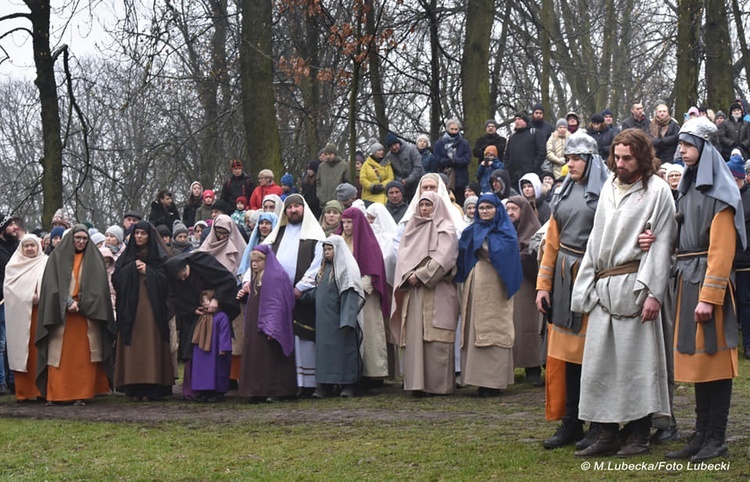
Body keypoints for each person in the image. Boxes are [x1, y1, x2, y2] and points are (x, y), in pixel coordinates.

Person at [570, 128, 675, 457]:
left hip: (636, 288)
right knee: (600, 365)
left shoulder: (658, 192)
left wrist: (653, 292)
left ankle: (638, 434)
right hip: (605, 287)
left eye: (627, 157)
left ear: (642, 157)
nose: (621, 163)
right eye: (616, 157)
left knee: (637, 366)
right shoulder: (608, 189)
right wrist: (586, 285)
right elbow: (594, 243)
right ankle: (605, 433)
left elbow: (662, 244)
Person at [662, 117, 746, 462]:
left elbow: (723, 249)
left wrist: (709, 297)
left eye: (688, 145)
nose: (681, 150)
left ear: (706, 149)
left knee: (715, 362)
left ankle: (717, 436)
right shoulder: (688, 187)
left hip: (708, 286)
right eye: (680, 144)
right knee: (699, 363)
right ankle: (700, 434)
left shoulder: (720, 193)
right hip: (686, 279)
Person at [535, 131, 609, 450]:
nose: (570, 163)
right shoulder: (563, 192)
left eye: (577, 157)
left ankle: (598, 424)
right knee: (565, 357)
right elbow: (551, 243)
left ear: (591, 159)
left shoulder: (606, 193)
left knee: (591, 355)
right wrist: (543, 285)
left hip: (592, 277)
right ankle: (571, 422)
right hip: (563, 278)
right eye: (567, 158)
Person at [36, 225, 116, 405]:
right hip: (62, 318)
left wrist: (84, 303)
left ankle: (81, 393)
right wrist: (66, 302)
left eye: (84, 238)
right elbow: (51, 286)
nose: (81, 241)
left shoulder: (94, 260)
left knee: (84, 356)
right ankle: (57, 393)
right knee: (59, 356)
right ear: (71, 238)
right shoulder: (57, 258)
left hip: (85, 317)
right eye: (77, 238)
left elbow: (99, 289)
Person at [391, 191, 459, 396]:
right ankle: (416, 384)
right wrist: (407, 276)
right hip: (414, 292)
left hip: (437, 289)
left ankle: (437, 386)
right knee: (415, 336)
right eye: (422, 205)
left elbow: (445, 258)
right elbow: (402, 258)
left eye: (428, 205)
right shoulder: (412, 228)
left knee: (436, 336)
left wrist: (420, 275)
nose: (424, 209)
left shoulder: (445, 229)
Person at [456, 194, 522, 396]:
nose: (484, 211)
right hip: (475, 284)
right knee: (475, 329)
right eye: (481, 208)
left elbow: (505, 254)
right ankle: (478, 379)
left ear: (497, 210)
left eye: (488, 208)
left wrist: (483, 244)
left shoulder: (505, 232)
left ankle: (494, 380)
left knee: (494, 329)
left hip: (496, 285)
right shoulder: (472, 230)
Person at [263, 193, 326, 395]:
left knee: (304, 338)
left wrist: (300, 288)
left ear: (304, 209)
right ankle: (287, 382)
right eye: (289, 207)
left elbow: (318, 265)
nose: (293, 210)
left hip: (302, 296)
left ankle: (307, 384)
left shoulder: (315, 236)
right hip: (278, 297)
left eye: (297, 206)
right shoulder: (276, 235)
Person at [165, 251, 241, 400]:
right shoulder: (176, 281)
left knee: (215, 355)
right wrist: (192, 309)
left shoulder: (203, 263)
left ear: (186, 265)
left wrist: (217, 299)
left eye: (183, 272)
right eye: (178, 276)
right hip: (194, 319)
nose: (182, 277)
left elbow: (227, 280)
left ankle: (216, 389)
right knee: (195, 356)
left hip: (216, 317)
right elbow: (175, 299)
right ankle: (197, 389)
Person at [112, 221, 174, 401]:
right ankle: (133, 385)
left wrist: (149, 271)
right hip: (130, 309)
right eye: (136, 233)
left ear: (149, 236)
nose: (139, 236)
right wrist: (132, 269)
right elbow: (116, 278)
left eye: (143, 233)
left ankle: (153, 384)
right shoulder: (126, 256)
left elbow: (168, 281)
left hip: (153, 308)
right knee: (133, 346)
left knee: (151, 344)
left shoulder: (159, 257)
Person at [237, 245, 296, 402]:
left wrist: (273, 326)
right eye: (252, 261)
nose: (254, 264)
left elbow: (279, 303)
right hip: (255, 323)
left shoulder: (277, 276)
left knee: (271, 357)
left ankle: (276, 390)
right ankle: (257, 390)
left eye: (258, 261)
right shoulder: (256, 277)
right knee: (256, 356)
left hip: (270, 325)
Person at [308, 235, 364, 398]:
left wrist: (347, 320)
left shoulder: (346, 269)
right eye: (325, 249)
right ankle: (325, 385)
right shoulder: (324, 270)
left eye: (330, 249)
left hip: (341, 323)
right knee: (325, 353)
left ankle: (347, 385)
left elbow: (350, 294)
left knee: (344, 353)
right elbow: (319, 292)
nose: (326, 252)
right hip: (324, 323)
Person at [338, 207, 389, 382]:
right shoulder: (339, 241)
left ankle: (373, 373)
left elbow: (374, 271)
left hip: (366, 297)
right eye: (343, 222)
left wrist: (358, 288)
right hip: (343, 293)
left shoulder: (368, 243)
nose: (346, 226)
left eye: (349, 222)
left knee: (370, 334)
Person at [505, 196, 543, 386]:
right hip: (507, 286)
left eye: (514, 209)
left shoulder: (533, 230)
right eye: (508, 209)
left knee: (527, 327)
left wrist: (512, 258)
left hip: (526, 285)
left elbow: (533, 255)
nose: (510, 213)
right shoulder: (503, 229)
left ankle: (532, 368)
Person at [3, 234, 47, 400]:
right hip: (20, 317)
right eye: (26, 246)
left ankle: (41, 390)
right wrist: (29, 296)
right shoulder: (13, 266)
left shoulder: (46, 262)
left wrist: (40, 296)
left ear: (38, 246)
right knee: (23, 351)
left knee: (40, 351)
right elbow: (10, 290)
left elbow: (51, 284)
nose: (30, 249)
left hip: (40, 314)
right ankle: (25, 391)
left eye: (32, 246)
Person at [190, 289, 232, 402]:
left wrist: (224, 347)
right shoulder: (202, 316)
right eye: (203, 300)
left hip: (216, 350)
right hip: (201, 349)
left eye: (207, 300)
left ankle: (217, 392)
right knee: (202, 370)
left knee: (217, 371)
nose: (205, 303)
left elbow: (224, 332)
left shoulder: (221, 316)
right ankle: (204, 391)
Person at [0, 213, 21, 395]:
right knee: (1, 343)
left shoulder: (17, 247)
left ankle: (15, 380)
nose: (15, 227)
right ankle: (2, 381)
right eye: (10, 224)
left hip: (16, 300)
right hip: (2, 299)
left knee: (14, 341)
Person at [433, 118, 472, 205]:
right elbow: (437, 159)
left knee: (459, 202)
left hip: (461, 178)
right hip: (445, 175)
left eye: (456, 129)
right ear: (447, 129)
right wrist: (448, 161)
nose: (454, 132)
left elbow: (467, 158)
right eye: (452, 129)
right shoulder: (439, 144)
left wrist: (455, 160)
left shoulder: (464, 143)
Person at [504, 112, 546, 186]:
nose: (517, 121)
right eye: (515, 119)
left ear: (525, 121)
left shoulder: (534, 133)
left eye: (519, 119)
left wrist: (533, 167)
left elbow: (541, 152)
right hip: (514, 177)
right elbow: (507, 155)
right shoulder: (512, 137)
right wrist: (508, 168)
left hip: (530, 175)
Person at [384, 133, 424, 201]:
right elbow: (390, 171)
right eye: (391, 146)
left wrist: (409, 179)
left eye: (395, 144)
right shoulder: (389, 156)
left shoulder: (411, 149)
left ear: (398, 143)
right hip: (402, 186)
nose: (394, 147)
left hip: (417, 182)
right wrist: (399, 180)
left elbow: (418, 166)